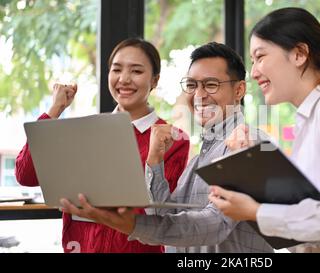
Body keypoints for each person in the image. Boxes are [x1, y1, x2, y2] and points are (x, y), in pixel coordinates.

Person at [60, 42, 274, 253]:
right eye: (191, 85)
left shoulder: (249, 143)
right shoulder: (200, 159)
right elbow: (168, 214)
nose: (198, 95)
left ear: (239, 90)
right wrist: (155, 161)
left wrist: (133, 225)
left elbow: (215, 224)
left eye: (211, 85)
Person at [208, 7, 320, 253]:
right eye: (252, 61)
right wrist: (255, 169)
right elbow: (314, 208)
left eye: (260, 57)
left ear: (299, 54)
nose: (254, 72)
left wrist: (258, 212)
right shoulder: (312, 116)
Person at [15, 38, 190, 253]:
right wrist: (54, 111)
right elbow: (26, 175)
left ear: (154, 80)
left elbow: (162, 214)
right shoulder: (85, 130)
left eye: (136, 71)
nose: (124, 79)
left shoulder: (173, 139)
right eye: (116, 70)